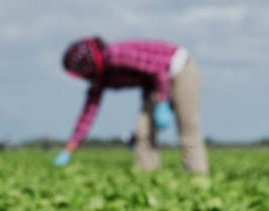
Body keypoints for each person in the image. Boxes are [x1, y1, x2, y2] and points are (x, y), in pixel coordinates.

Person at [53, 36, 208, 174]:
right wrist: (70, 148)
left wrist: (162, 101)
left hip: (179, 69)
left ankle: (197, 176)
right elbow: (88, 113)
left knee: (187, 130)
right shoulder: (100, 79)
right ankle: (147, 175)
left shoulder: (115, 55)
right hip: (153, 84)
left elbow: (159, 69)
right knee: (143, 131)